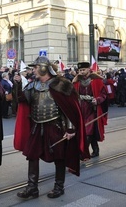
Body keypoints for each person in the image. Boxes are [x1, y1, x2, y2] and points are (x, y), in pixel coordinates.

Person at [15, 56, 89, 199]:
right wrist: (17, 85)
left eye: (36, 67)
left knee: (59, 157)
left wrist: (70, 129)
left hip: (55, 126)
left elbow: (71, 109)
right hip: (37, 125)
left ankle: (59, 186)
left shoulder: (61, 85)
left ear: (44, 68)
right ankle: (32, 188)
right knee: (32, 155)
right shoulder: (32, 85)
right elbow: (22, 100)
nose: (34, 70)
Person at [72, 62, 108, 158]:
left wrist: (97, 100)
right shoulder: (77, 81)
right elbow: (73, 94)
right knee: (89, 131)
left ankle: (82, 153)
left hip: (92, 109)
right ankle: (95, 150)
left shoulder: (96, 80)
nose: (81, 72)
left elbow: (103, 94)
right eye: (80, 70)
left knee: (88, 130)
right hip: (80, 109)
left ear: (88, 69)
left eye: (83, 69)